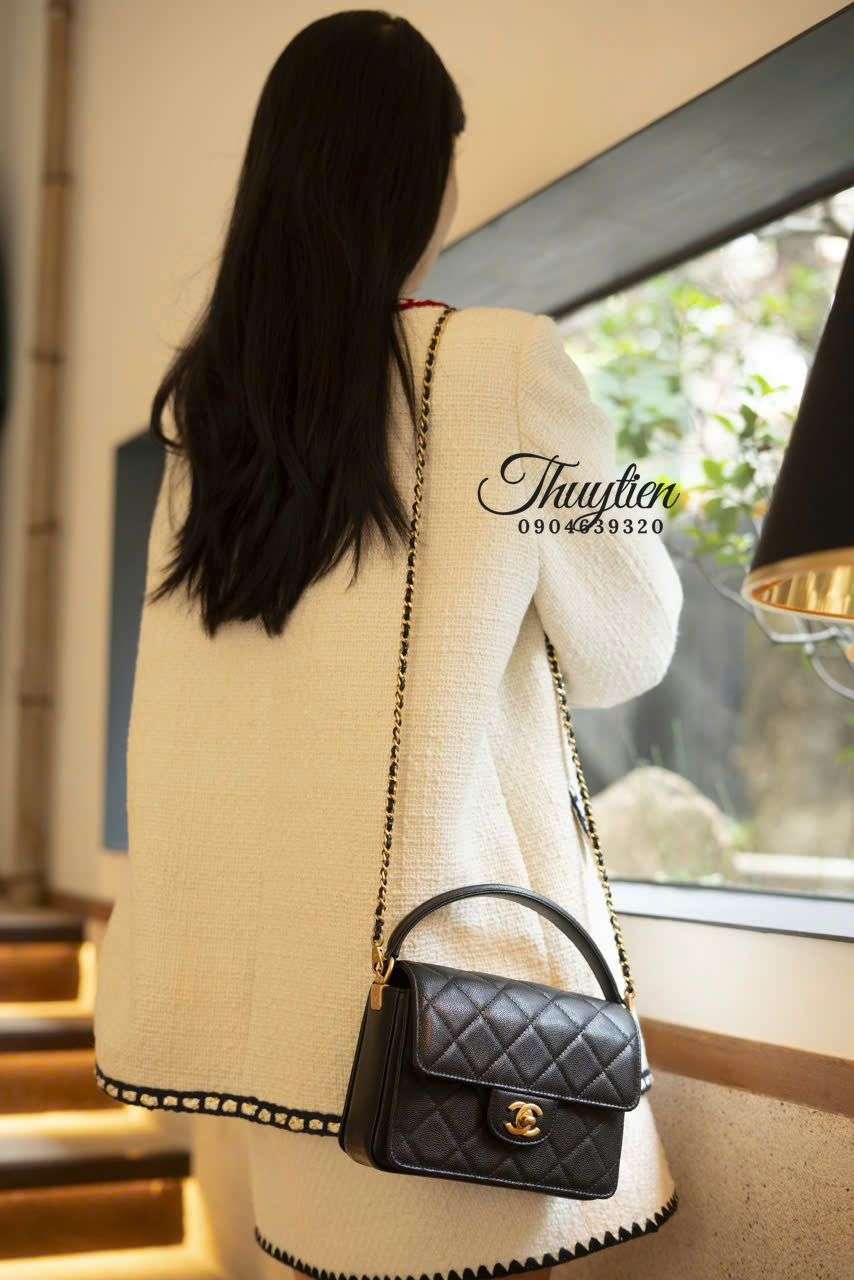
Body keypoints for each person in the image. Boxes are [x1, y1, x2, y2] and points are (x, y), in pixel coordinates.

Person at [94, 10, 683, 1278]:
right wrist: (622, 491)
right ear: (421, 175)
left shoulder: (209, 420)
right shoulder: (501, 363)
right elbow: (628, 643)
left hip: (282, 1043)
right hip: (458, 1033)